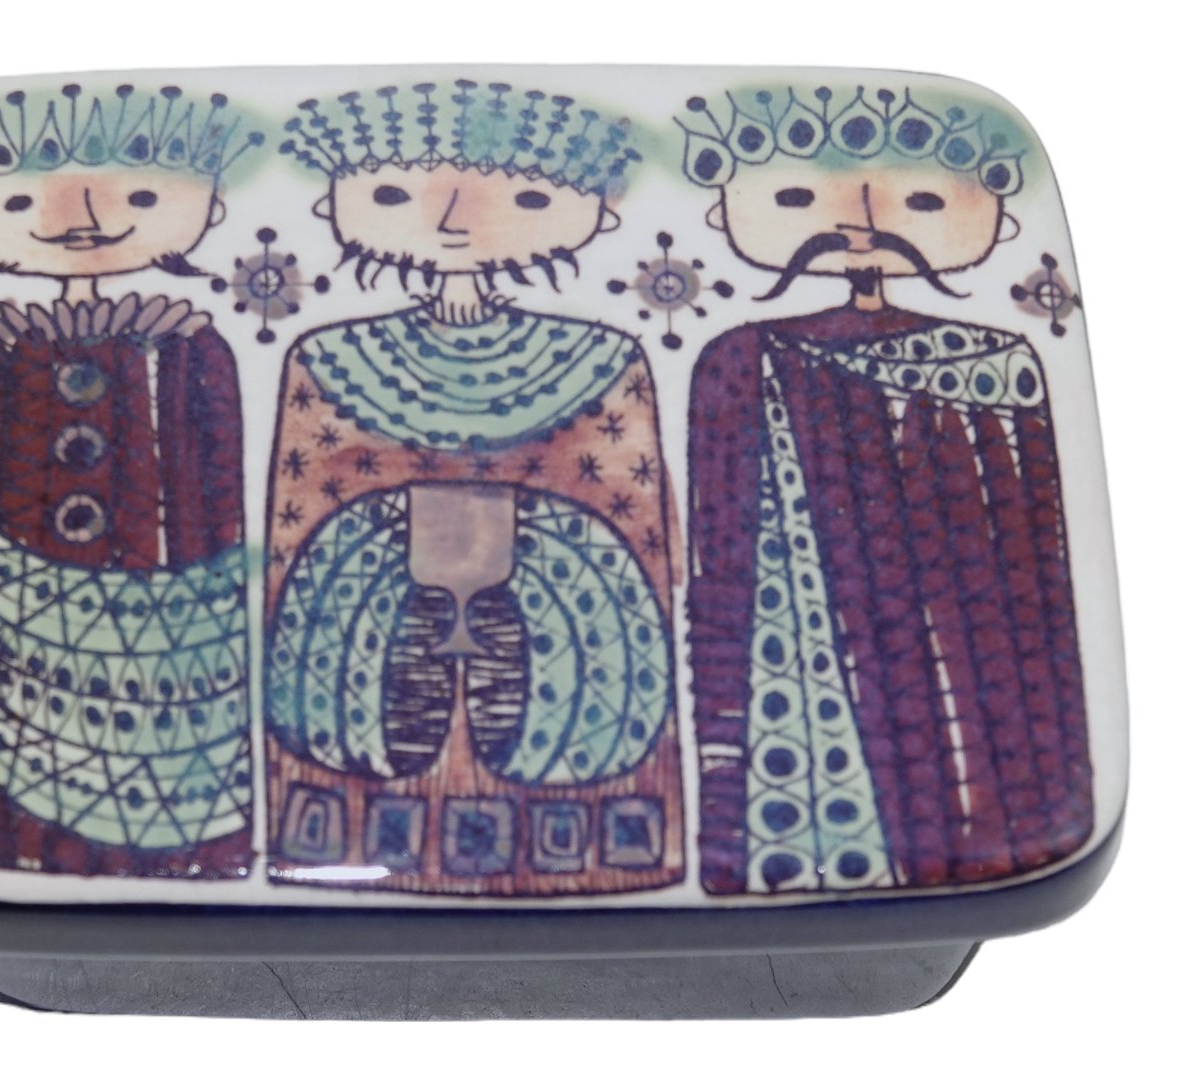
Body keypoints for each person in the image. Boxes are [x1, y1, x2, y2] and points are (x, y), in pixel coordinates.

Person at [265, 82, 684, 895]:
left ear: (595, 213)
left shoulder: (604, 359)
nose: (455, 220)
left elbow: (640, 537)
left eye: (527, 199)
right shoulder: (327, 358)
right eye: (395, 195)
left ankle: (569, 854)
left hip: (566, 661)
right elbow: (299, 534)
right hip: (374, 665)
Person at [679, 87, 1092, 894]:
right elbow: (718, 547)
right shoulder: (736, 356)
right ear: (722, 208)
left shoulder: (1000, 361)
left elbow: (1041, 565)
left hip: (977, 674)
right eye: (797, 198)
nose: (860, 226)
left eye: (923, 200)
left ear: (1001, 220)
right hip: (806, 674)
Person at [0, 84, 263, 877]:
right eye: (19, 201)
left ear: (211, 209)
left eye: (141, 197)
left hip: (163, 638)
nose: (80, 218)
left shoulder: (189, 348)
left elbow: (215, 518)